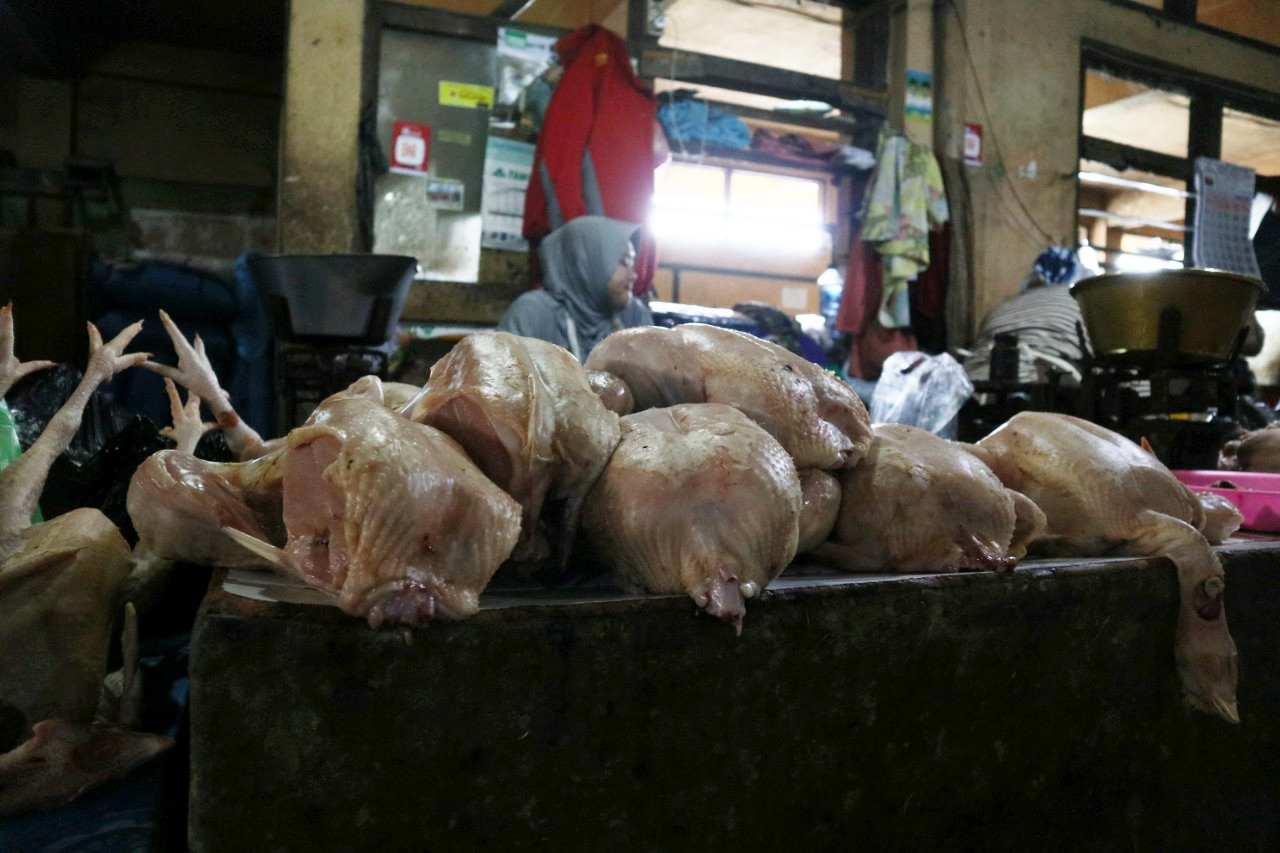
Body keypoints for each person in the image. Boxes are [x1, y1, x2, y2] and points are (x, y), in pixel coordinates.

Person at [499, 215, 652, 362]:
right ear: (586, 264)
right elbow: (503, 379)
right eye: (625, 262)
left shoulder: (633, 317)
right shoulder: (533, 314)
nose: (633, 276)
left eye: (632, 263)